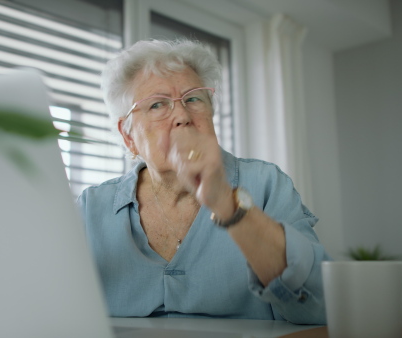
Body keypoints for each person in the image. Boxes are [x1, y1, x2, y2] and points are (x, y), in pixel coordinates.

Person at [77, 39, 330, 324]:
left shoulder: (267, 184)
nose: (182, 116)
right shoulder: (90, 209)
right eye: (158, 104)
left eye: (193, 98)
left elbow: (320, 305)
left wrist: (224, 199)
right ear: (128, 135)